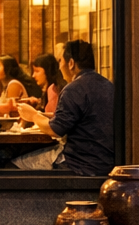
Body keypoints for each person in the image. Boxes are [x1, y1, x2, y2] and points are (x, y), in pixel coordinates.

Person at [17, 39, 115, 174]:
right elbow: (78, 117)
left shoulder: (74, 89)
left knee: (12, 166)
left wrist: (33, 115)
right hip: (106, 162)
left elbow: (55, 130)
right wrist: (42, 115)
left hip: (80, 164)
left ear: (71, 63)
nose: (59, 67)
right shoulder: (107, 85)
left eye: (60, 61)